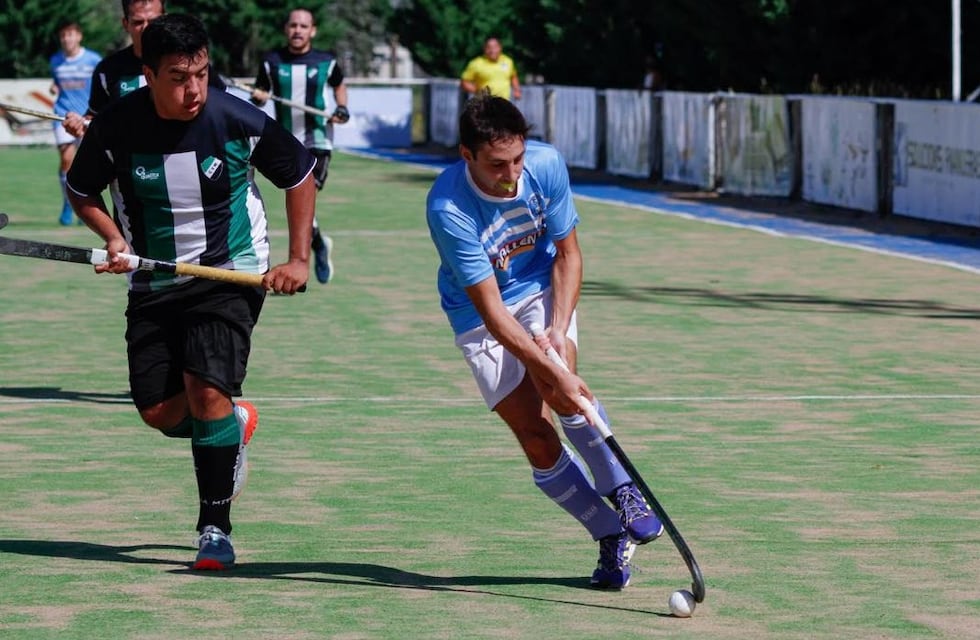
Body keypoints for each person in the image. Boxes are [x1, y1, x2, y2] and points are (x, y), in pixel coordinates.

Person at [65, 13, 317, 570]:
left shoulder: (233, 118)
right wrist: (112, 237)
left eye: (201, 73)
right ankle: (233, 423)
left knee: (206, 391)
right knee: (158, 411)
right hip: (153, 280)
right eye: (179, 76)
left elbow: (299, 172)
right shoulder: (115, 126)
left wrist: (298, 258)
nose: (194, 89)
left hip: (229, 273)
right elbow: (81, 190)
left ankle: (214, 530)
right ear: (148, 74)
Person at [425, 92, 664, 589]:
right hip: (479, 309)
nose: (511, 173)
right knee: (535, 435)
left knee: (560, 391)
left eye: (517, 158)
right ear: (466, 155)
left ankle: (621, 488)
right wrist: (554, 365)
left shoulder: (546, 165)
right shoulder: (448, 207)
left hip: (540, 286)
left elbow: (569, 255)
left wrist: (558, 329)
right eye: (497, 164)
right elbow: (492, 313)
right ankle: (607, 534)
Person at [250, 7, 349, 285]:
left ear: (312, 31)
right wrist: (259, 96)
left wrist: (342, 108)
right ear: (286, 30)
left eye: (303, 26)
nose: (297, 30)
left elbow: (340, 85)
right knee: (298, 201)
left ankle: (302, 259)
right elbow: (260, 96)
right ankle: (318, 244)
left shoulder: (326, 61)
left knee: (306, 194)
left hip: (317, 139)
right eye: (293, 25)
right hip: (284, 141)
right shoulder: (271, 62)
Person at [63, 0, 224, 138]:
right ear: (126, 24)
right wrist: (80, 124)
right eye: (138, 22)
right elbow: (95, 117)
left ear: (164, 18)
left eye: (153, 21)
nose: (146, 28)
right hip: (133, 167)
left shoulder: (190, 63)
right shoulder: (108, 69)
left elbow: (221, 108)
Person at [49, 21, 102, 225]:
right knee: (66, 160)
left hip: (86, 117)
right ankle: (67, 204)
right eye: (63, 36)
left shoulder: (93, 60)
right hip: (62, 115)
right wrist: (54, 87)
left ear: (79, 36)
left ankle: (86, 205)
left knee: (86, 163)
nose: (67, 39)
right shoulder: (55, 60)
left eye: (70, 35)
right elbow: (57, 82)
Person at [460, 37, 521, 101]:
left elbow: (513, 76)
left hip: (504, 103)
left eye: (495, 47)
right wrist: (477, 91)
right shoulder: (476, 63)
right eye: (489, 47)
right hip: (485, 103)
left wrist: (517, 90)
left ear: (500, 47)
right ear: (484, 49)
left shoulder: (508, 61)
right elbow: (464, 82)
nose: (492, 50)